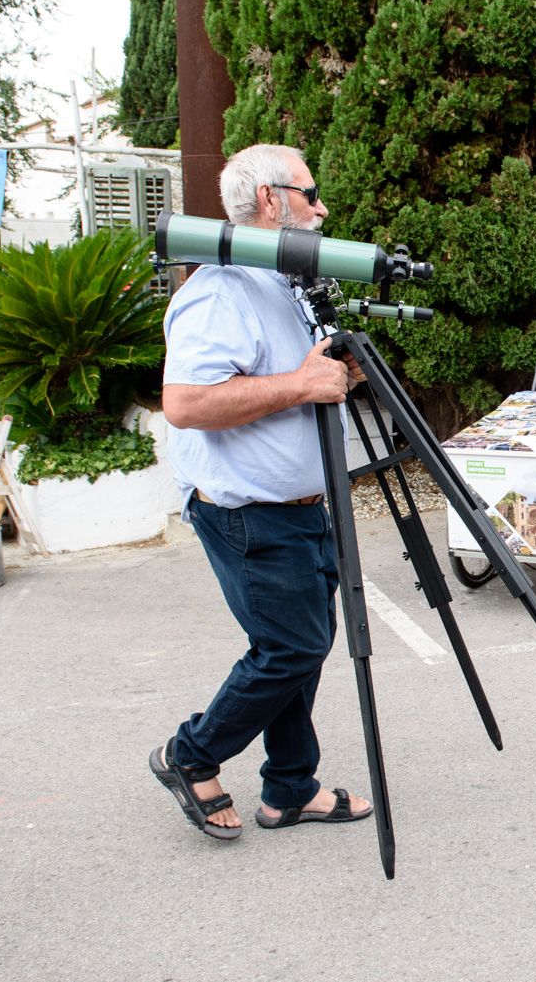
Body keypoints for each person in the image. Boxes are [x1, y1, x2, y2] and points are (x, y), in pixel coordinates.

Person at [150, 143, 372, 840]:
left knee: (297, 646)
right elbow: (185, 402)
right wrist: (302, 385)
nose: (322, 206)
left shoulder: (281, 282)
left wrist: (334, 374)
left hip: (300, 506)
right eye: (311, 192)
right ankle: (191, 754)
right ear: (271, 200)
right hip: (247, 512)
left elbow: (295, 375)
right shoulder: (218, 290)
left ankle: (288, 789)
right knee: (291, 648)